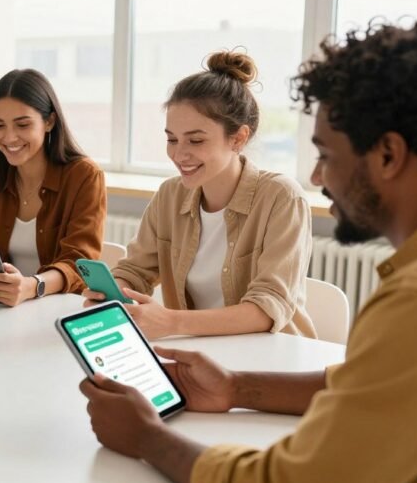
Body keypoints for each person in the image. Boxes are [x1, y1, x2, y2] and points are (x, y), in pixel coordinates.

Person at [78, 19, 417, 483]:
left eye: (326, 154)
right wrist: (236, 387)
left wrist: (148, 438)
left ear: (389, 155)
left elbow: (297, 482)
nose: (317, 178)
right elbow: (369, 382)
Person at [83, 51, 316, 338]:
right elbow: (135, 271)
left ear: (239, 138)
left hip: (271, 360)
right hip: (198, 355)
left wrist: (170, 322)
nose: (179, 154)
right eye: (171, 139)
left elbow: (267, 307)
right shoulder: (170, 195)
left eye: (196, 140)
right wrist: (114, 290)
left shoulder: (282, 198)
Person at [0, 69, 105, 306]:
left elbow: (79, 262)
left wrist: (32, 286)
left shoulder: (84, 175)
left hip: (56, 308)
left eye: (22, 125)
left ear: (49, 122)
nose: (9, 137)